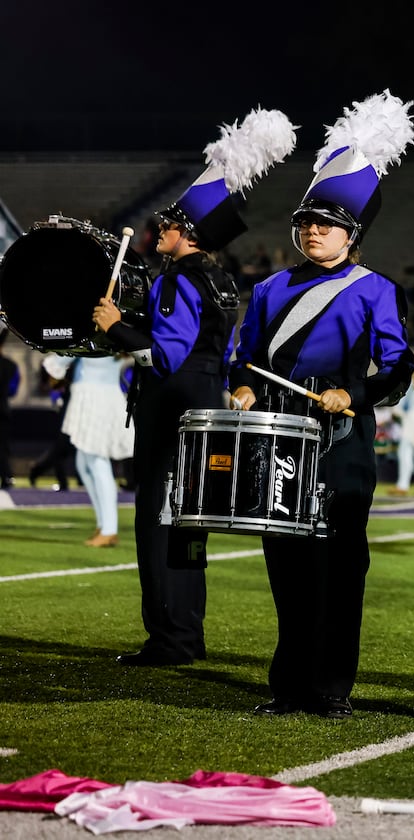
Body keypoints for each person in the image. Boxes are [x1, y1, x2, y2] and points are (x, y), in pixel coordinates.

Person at [230, 90, 414, 718]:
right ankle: (288, 685)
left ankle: (332, 686)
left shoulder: (375, 292)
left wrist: (352, 394)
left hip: (340, 445)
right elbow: (242, 357)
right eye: (308, 222)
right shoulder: (269, 289)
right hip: (277, 438)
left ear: (351, 232)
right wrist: (243, 386)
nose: (315, 231)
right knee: (286, 565)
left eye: (328, 224)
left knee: (340, 567)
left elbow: (399, 368)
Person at [95, 106, 296, 666]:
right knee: (185, 525)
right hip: (202, 402)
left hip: (174, 407)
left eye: (170, 222)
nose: (161, 228)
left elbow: (165, 353)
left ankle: (171, 639)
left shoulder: (177, 278)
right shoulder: (221, 279)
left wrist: (117, 328)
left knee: (158, 523)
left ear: (189, 234)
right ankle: (186, 633)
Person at [41, 351, 134, 547]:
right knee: (83, 465)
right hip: (101, 397)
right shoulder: (114, 335)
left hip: (94, 400)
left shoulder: (96, 335)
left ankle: (109, 529)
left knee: (98, 463)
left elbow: (60, 360)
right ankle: (103, 524)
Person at [392, 353, 414, 496]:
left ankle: (402, 485)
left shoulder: (411, 379)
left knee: (405, 450)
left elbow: (403, 404)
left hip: (412, 417)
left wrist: (395, 411)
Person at [0, 329, 16, 489]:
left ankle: (6, 476)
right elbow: (13, 390)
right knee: (3, 446)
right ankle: (6, 476)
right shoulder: (10, 365)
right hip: (3, 409)